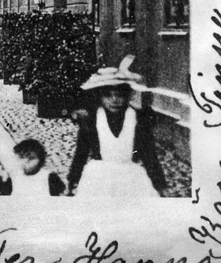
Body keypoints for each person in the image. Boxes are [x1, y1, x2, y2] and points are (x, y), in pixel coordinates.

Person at [66, 56, 167, 197]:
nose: (115, 100)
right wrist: (72, 182)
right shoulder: (91, 121)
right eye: (108, 95)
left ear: (128, 95)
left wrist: (160, 185)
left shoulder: (138, 120)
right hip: (98, 178)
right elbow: (81, 153)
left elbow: (149, 154)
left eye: (120, 95)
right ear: (100, 96)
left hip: (131, 178)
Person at [0, 139, 66, 197]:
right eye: (22, 157)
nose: (26, 161)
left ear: (40, 159)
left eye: (31, 158)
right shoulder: (13, 177)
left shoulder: (49, 178)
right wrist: (0, 181)